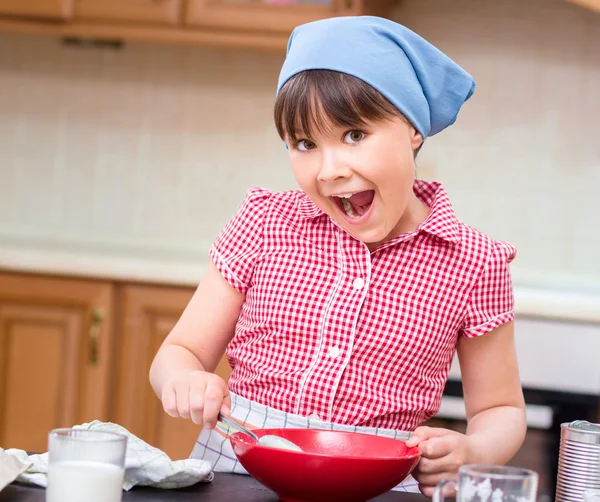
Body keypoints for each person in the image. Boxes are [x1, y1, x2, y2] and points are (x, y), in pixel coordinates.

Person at [149, 15, 526, 497]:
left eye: (353, 135)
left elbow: (501, 410)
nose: (330, 170)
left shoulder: (475, 262)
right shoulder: (264, 223)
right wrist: (182, 379)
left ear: (413, 128)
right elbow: (178, 354)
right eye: (305, 144)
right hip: (239, 476)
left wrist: (475, 450)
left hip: (382, 487)